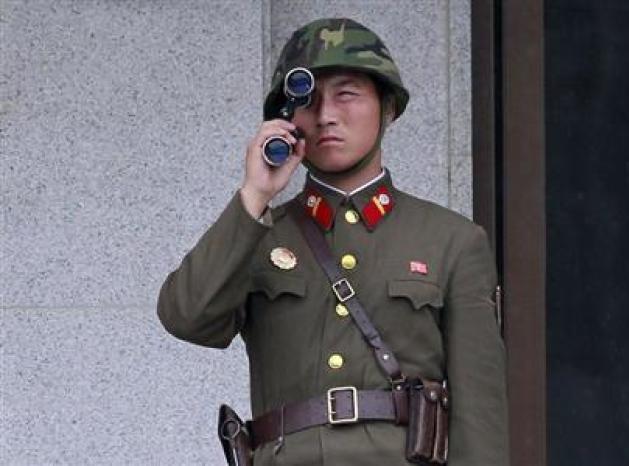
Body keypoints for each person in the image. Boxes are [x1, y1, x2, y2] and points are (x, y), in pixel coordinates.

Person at [158, 17, 509, 465]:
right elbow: (185, 317)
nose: (326, 115)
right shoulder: (258, 232)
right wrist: (254, 196)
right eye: (308, 101)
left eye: (346, 94)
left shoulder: (452, 240)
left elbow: (481, 419)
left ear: (388, 107)